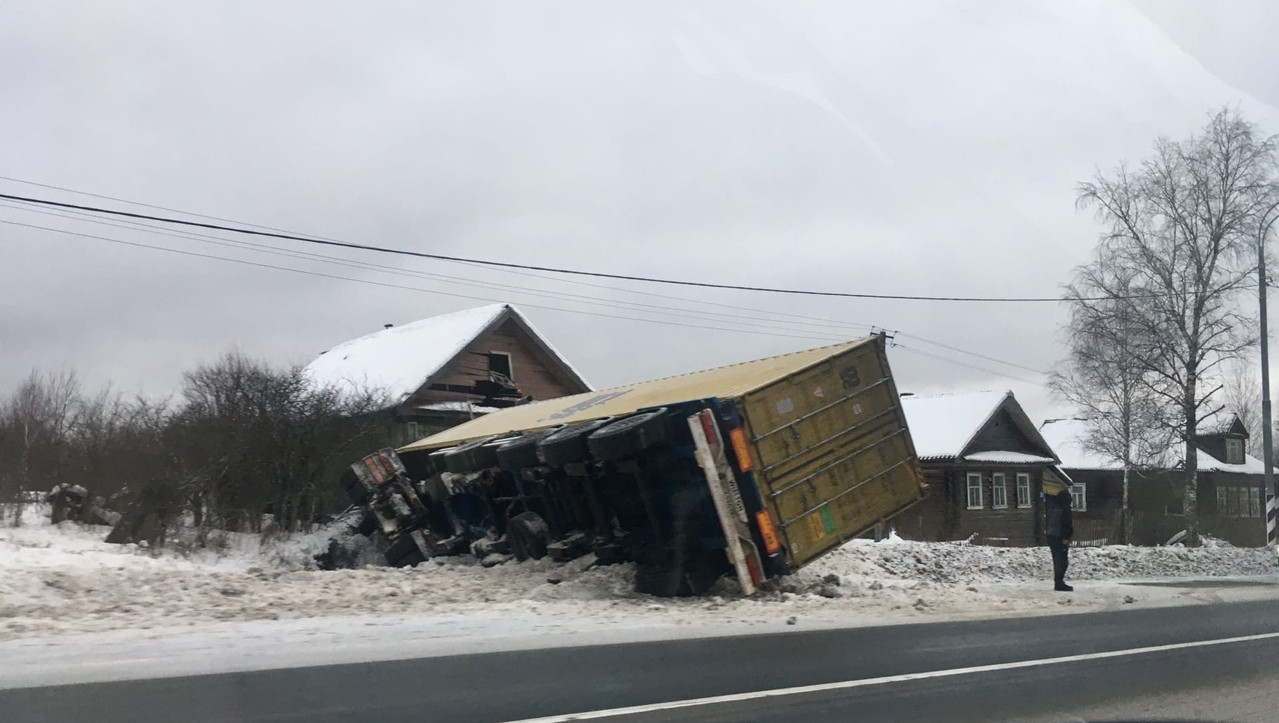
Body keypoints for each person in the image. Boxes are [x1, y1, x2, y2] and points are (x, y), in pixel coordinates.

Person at [1045, 487, 1074, 592]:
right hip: (1060, 538)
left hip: (1052, 537)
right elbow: (1066, 525)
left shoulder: (1053, 508)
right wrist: (1066, 537)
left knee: (1057, 561)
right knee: (1063, 562)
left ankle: (1058, 582)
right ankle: (1059, 583)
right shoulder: (1065, 510)